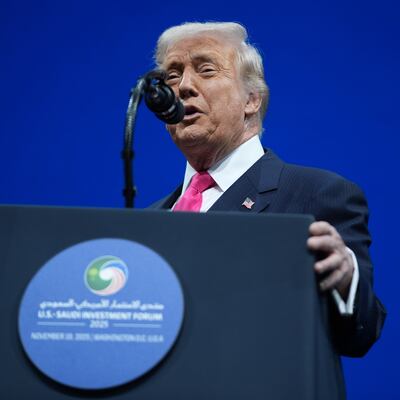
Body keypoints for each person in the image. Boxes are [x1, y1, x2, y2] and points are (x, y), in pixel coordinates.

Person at [150, 21, 386, 357]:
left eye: (206, 70)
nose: (184, 86)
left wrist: (346, 280)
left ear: (251, 99)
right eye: (172, 75)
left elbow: (361, 333)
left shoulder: (316, 194)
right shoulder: (152, 217)